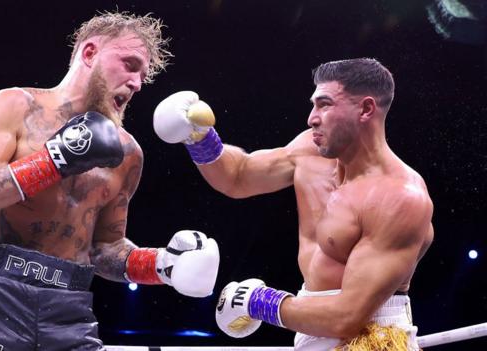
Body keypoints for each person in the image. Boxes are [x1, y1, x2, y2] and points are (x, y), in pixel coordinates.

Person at [0, 11, 220, 351]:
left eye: (142, 75)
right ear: (89, 54)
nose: (136, 82)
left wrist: (162, 265)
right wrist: (55, 160)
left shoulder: (128, 153)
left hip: (67, 310)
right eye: (130, 64)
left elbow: (105, 249)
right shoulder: (17, 105)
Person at [153, 58, 433, 350]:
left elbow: (347, 317)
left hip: (372, 335)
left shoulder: (400, 197)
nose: (312, 117)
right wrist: (199, 137)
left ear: (365, 109)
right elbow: (238, 177)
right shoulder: (309, 150)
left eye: (325, 104)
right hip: (309, 323)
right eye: (313, 104)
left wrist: (259, 302)